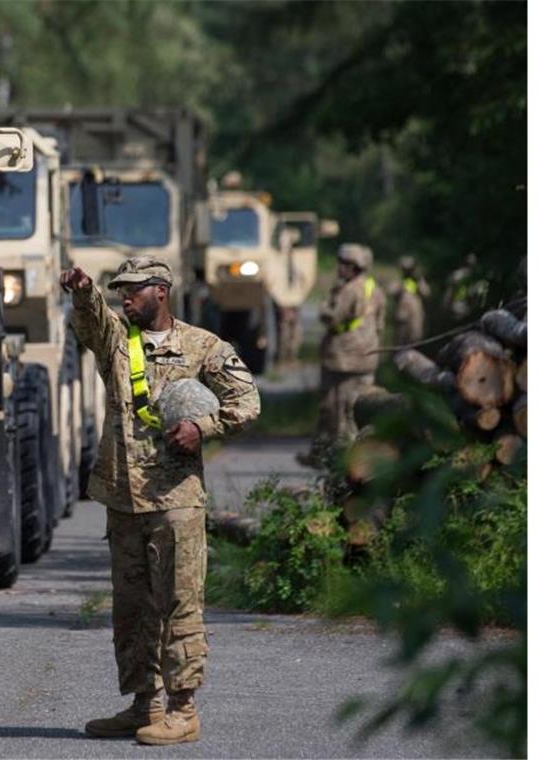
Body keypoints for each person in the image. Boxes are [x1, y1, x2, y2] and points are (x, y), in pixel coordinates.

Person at [60, 256, 260, 746]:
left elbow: (246, 402)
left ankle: (183, 709)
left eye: (134, 290)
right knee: (132, 610)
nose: (125, 298)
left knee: (179, 605)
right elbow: (90, 323)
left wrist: (202, 427)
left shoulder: (202, 346)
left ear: (161, 291)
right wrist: (84, 290)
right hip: (123, 497)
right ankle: (143, 704)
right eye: (120, 291)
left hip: (175, 500)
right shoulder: (117, 342)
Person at [300, 243, 383, 466]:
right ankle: (335, 456)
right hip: (366, 357)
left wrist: (326, 303)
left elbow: (331, 317)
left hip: (343, 359)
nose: (340, 268)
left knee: (339, 413)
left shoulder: (348, 290)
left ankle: (341, 461)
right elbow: (380, 323)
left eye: (345, 264)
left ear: (355, 267)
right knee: (355, 408)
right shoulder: (373, 288)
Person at [390, 255, 430, 346]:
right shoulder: (399, 280)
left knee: (414, 340)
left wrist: (418, 282)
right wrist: (401, 286)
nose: (407, 271)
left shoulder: (418, 280)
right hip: (402, 316)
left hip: (415, 316)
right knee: (399, 342)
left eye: (409, 269)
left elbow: (426, 293)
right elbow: (392, 291)